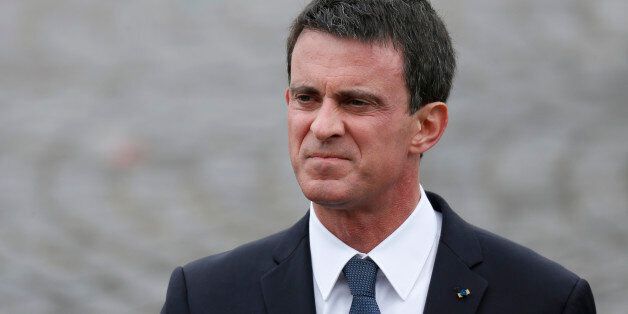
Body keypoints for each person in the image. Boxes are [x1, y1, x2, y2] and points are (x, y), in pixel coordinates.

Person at [161, 0, 596, 313]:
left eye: (356, 103)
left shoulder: (544, 300)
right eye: (307, 98)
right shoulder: (205, 297)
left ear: (426, 127)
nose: (322, 126)